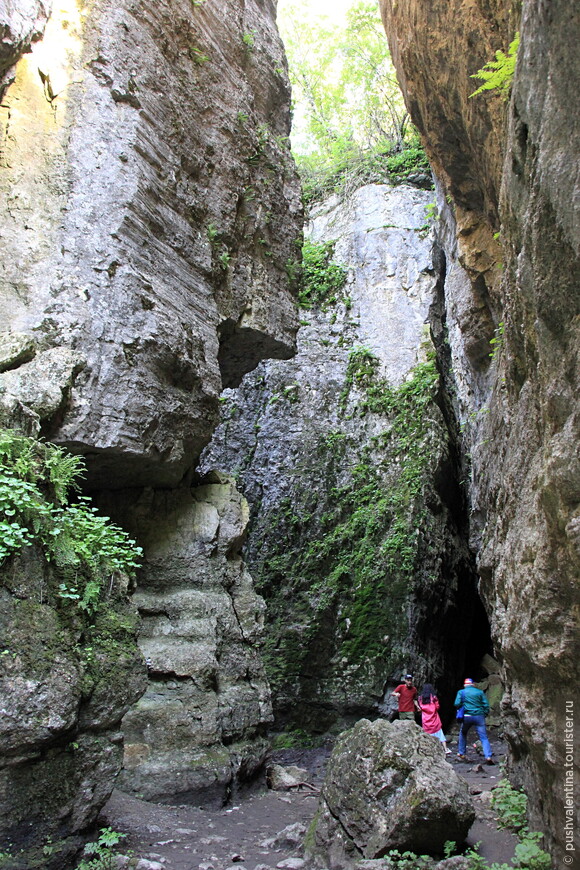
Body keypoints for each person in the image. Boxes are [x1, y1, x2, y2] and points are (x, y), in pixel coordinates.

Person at [455, 677, 494, 763]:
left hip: (467, 716)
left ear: (465, 685)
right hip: (479, 716)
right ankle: (488, 756)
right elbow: (486, 705)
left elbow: (457, 703)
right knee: (483, 737)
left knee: (463, 733)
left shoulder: (461, 692)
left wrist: (463, 705)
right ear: (473, 684)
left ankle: (461, 753)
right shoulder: (479, 692)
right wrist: (485, 713)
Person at [418, 683, 451, 754]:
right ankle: (445, 749)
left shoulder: (420, 698)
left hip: (425, 720)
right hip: (434, 719)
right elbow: (437, 707)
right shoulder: (433, 697)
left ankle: (431, 751)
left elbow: (420, 707)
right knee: (440, 735)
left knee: (428, 736)